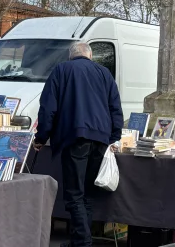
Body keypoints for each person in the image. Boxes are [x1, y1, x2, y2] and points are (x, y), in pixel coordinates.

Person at [35, 42, 123, 247]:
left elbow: (48, 108)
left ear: (70, 56)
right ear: (90, 55)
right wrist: (114, 135)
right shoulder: (104, 73)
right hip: (100, 138)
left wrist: (41, 137)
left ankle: (82, 242)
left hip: (74, 137)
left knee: (75, 193)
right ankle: (79, 240)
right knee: (87, 194)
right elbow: (115, 106)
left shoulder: (61, 70)